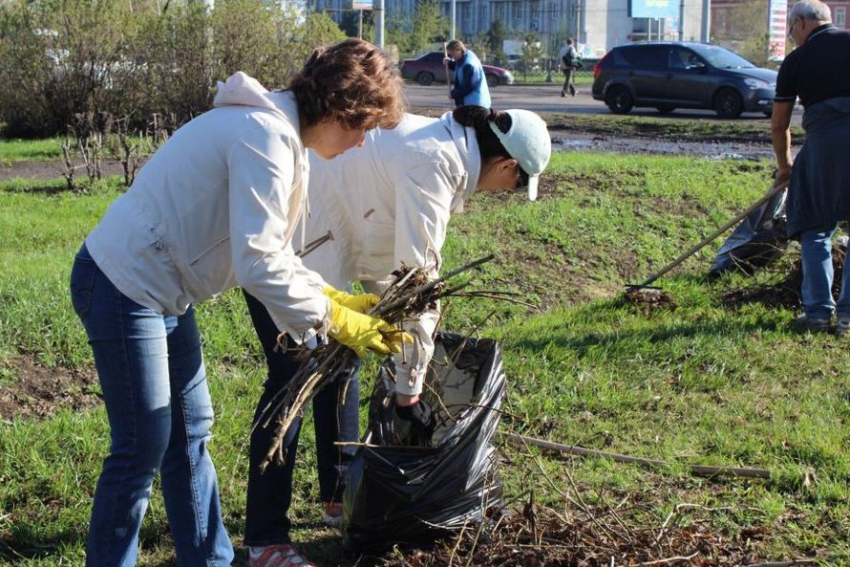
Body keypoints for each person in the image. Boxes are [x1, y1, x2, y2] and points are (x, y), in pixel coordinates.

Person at [68, 38, 404, 567]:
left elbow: (275, 253)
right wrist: (334, 317)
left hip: (163, 291)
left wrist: (332, 296)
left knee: (190, 434)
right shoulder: (264, 138)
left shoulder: (282, 136)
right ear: (342, 110)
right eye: (364, 128)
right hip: (121, 283)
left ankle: (212, 561)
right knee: (143, 445)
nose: (364, 144)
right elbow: (257, 263)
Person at [244, 105, 552, 567]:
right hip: (281, 252)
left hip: (322, 245)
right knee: (294, 379)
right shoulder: (435, 164)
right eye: (514, 185)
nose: (505, 192)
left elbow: (386, 254)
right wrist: (409, 388)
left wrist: (396, 337)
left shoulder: (441, 147)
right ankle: (265, 538)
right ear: (507, 165)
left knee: (343, 358)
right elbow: (419, 284)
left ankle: (338, 496)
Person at [772, 0, 850, 336]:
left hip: (825, 148)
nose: (792, 35)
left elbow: (779, 125)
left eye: (791, 29)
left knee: (816, 230)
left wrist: (784, 166)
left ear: (801, 23)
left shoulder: (797, 60)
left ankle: (818, 314)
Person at [445, 39, 491, 108]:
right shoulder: (464, 56)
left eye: (453, 54)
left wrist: (453, 94)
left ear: (458, 49)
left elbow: (467, 87)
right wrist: (449, 63)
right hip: (471, 101)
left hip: (474, 103)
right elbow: (460, 68)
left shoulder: (469, 64)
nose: (452, 57)